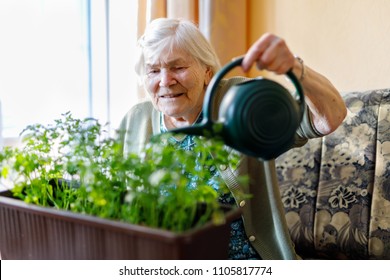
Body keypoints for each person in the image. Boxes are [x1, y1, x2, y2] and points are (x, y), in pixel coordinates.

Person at [118, 17, 347, 259]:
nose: (165, 81)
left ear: (207, 72)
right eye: (153, 70)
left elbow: (329, 118)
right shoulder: (136, 121)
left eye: (178, 68)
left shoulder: (238, 102)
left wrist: (295, 68)